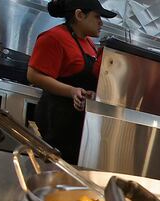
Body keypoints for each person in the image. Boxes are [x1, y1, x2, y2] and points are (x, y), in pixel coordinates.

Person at [27, 0, 116, 164]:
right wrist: (72, 91)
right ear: (79, 15)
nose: (101, 22)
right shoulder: (54, 37)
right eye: (97, 17)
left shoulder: (88, 42)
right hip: (56, 119)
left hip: (75, 123)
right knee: (53, 171)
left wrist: (88, 93)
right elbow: (33, 75)